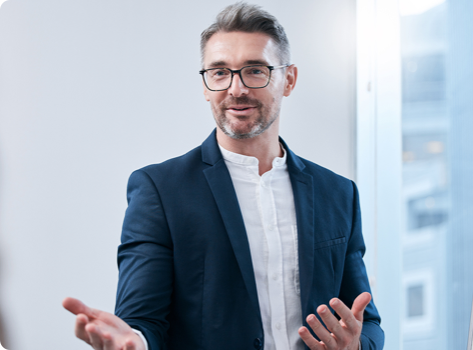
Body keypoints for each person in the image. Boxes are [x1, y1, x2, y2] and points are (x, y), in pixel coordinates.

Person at [62, 3, 384, 350]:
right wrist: (135, 342)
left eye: (255, 70)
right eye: (219, 72)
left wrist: (356, 345)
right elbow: (143, 323)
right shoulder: (160, 191)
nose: (236, 89)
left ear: (288, 79)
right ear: (205, 85)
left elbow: (368, 322)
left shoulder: (338, 194)